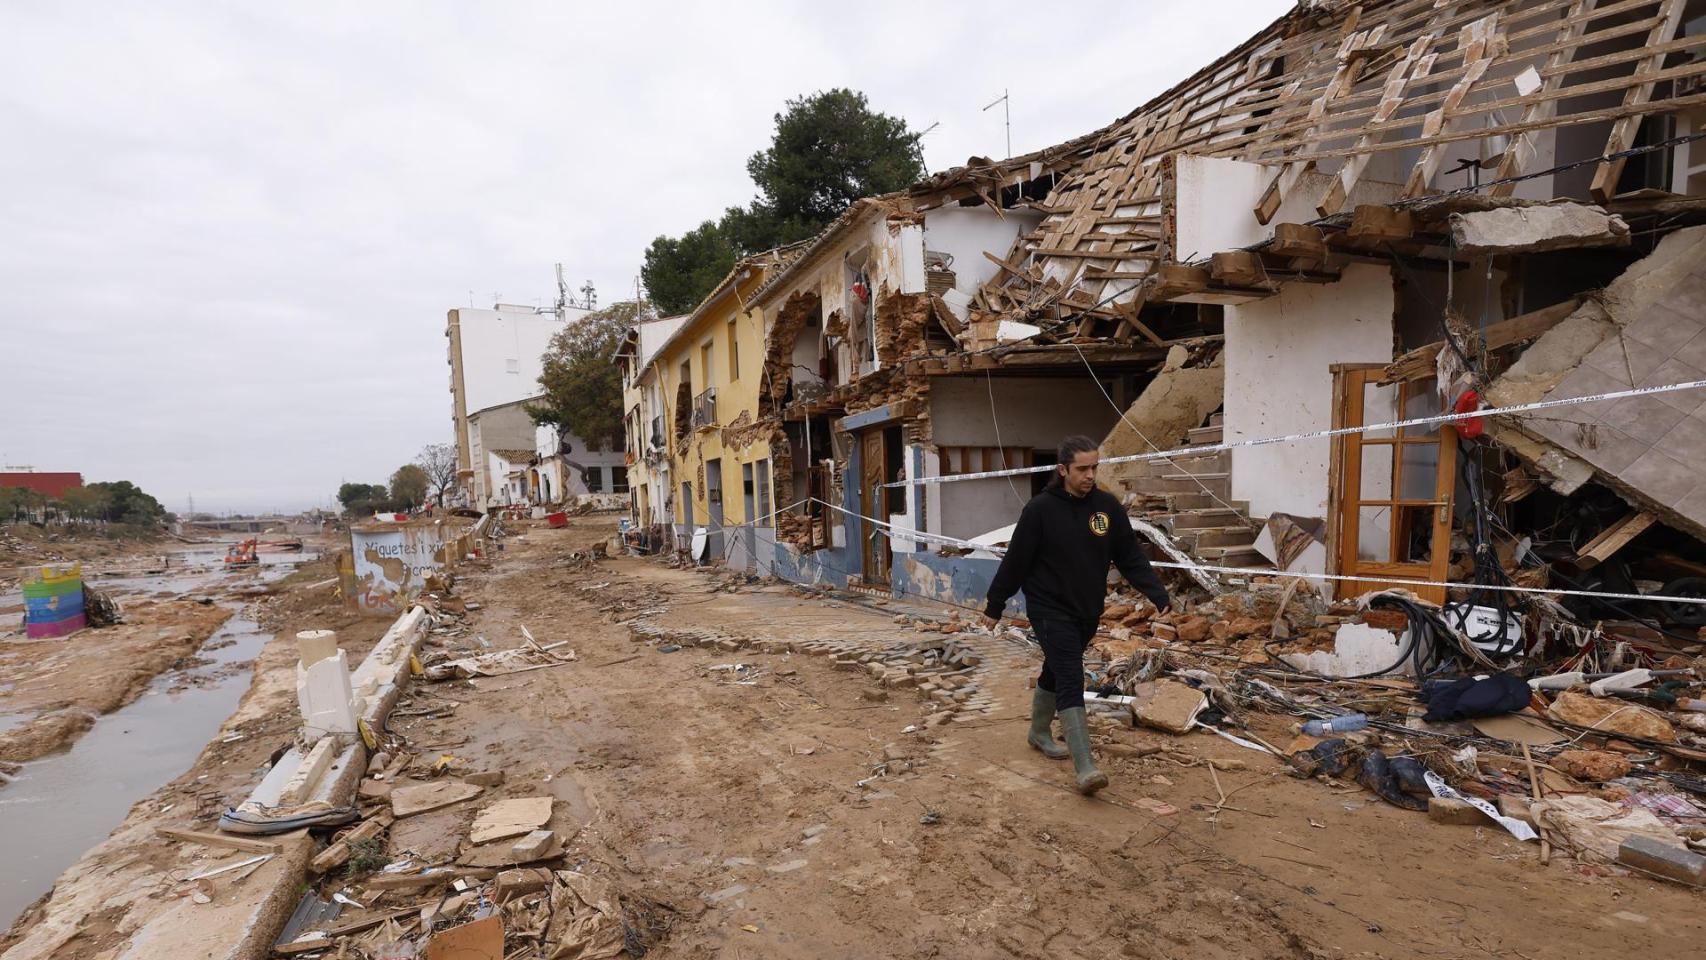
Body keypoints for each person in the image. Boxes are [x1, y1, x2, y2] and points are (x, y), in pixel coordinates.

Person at [982, 435, 1170, 794]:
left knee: (1056, 666)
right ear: (1062, 469)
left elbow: (1129, 555)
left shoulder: (1106, 507)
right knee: (1070, 674)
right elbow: (1016, 562)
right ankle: (1086, 767)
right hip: (1048, 608)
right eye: (1082, 469)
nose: (1090, 475)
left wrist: (1156, 592)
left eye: (1094, 468)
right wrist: (995, 605)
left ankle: (1038, 732)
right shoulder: (1039, 510)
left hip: (1087, 609)